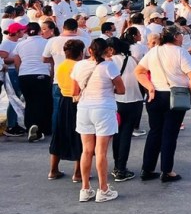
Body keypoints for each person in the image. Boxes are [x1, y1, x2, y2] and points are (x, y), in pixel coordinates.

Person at [134, 26, 191, 182]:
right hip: (175, 95)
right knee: (170, 133)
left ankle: (147, 169)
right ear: (176, 37)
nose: (182, 37)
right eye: (181, 34)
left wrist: (149, 86)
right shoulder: (180, 52)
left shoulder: (154, 51)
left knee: (155, 132)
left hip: (155, 94)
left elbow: (139, 71)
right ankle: (167, 170)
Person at [72, 39, 125, 203]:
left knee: (86, 150)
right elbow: (121, 90)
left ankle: (85, 189)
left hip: (84, 109)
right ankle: (103, 189)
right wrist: (109, 88)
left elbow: (74, 91)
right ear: (106, 51)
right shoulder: (109, 66)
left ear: (89, 50)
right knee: (101, 151)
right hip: (104, 108)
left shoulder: (79, 66)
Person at [106, 37, 144, 182]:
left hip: (117, 102)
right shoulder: (133, 59)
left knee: (116, 134)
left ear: (111, 49)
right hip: (135, 101)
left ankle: (118, 167)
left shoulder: (109, 62)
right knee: (126, 135)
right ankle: (121, 167)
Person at [48, 39, 85, 182]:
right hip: (77, 101)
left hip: (64, 100)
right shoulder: (80, 66)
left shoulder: (62, 66)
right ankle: (78, 173)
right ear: (80, 52)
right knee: (79, 135)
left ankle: (53, 170)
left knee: (59, 133)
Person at [15, 22, 56, 142]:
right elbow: (51, 61)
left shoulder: (20, 44)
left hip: (25, 76)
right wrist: (51, 76)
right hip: (41, 74)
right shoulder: (46, 42)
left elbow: (17, 62)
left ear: (27, 32)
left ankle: (30, 126)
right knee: (41, 102)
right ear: (39, 31)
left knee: (29, 102)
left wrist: (20, 73)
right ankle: (40, 128)